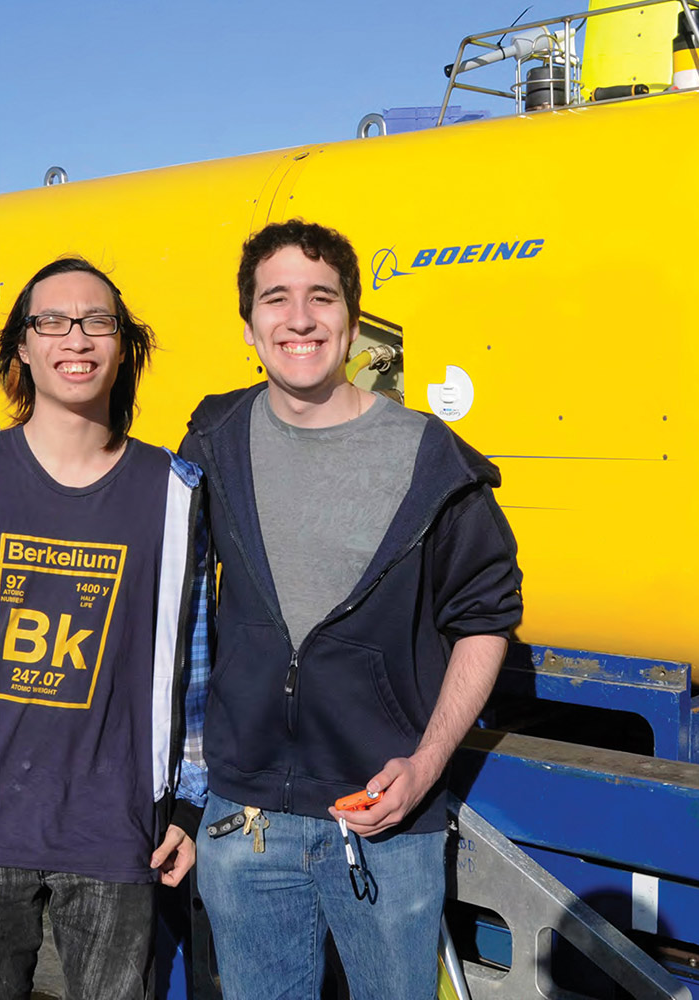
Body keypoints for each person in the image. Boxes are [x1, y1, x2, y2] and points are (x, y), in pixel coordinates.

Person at [182, 219, 522, 1000]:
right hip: (244, 818)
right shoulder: (214, 440)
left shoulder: (430, 457)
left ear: (352, 320)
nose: (299, 319)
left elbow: (485, 618)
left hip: (384, 817)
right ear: (249, 327)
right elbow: (166, 601)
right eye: (277, 299)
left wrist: (426, 765)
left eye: (320, 297)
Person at [0, 256, 210, 1000]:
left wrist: (188, 802)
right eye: (51, 321)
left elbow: (194, 664)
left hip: (117, 834)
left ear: (125, 346)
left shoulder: (174, 492)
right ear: (21, 347)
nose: (75, 338)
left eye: (97, 321)